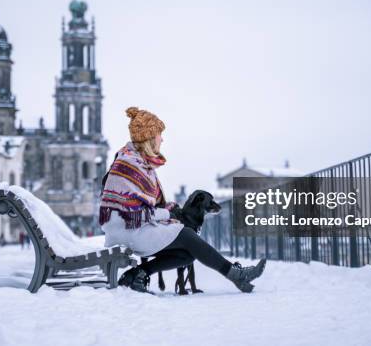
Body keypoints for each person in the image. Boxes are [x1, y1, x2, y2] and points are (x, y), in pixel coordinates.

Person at [99, 106, 266, 293]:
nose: (162, 139)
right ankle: (236, 274)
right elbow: (135, 212)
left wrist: (168, 208)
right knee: (186, 235)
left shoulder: (137, 162)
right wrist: (168, 212)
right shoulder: (129, 165)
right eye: (159, 135)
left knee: (187, 253)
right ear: (148, 137)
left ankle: (137, 273)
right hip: (127, 230)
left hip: (132, 228)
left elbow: (143, 205)